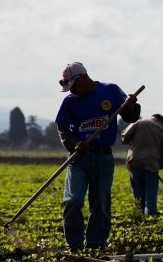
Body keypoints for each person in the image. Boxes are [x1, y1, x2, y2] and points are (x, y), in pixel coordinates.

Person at [55, 62, 137, 251]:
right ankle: (74, 245)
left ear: (83, 78)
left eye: (73, 85)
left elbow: (129, 117)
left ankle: (96, 244)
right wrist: (75, 144)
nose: (72, 90)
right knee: (73, 201)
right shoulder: (70, 101)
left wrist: (131, 106)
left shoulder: (111, 91)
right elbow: (62, 128)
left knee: (100, 203)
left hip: (103, 157)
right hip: (78, 159)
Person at [119, 103, 163, 217]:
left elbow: (124, 137)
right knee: (150, 192)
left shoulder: (138, 123)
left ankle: (138, 214)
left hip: (135, 162)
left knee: (137, 191)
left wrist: (128, 139)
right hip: (152, 165)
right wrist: (160, 165)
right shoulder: (161, 129)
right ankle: (151, 215)